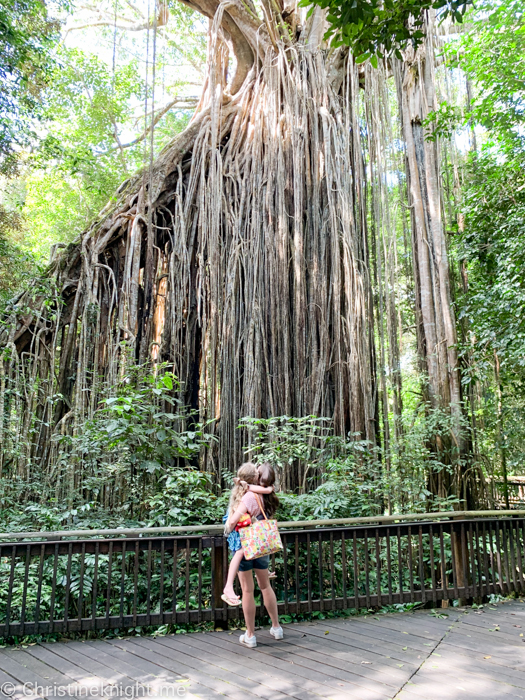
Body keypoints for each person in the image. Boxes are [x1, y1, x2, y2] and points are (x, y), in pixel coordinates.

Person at [225, 461, 284, 648]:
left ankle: (250, 635)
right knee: (265, 586)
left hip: (246, 546)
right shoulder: (266, 494)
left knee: (248, 590)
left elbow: (233, 521)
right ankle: (276, 627)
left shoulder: (249, 497)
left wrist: (227, 528)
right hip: (262, 545)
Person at [221, 464, 275, 606]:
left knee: (247, 589)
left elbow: (232, 521)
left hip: (243, 533)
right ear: (255, 478)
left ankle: (228, 587)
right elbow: (265, 489)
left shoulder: (246, 492)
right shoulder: (255, 494)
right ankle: (228, 587)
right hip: (248, 534)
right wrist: (269, 489)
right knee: (240, 554)